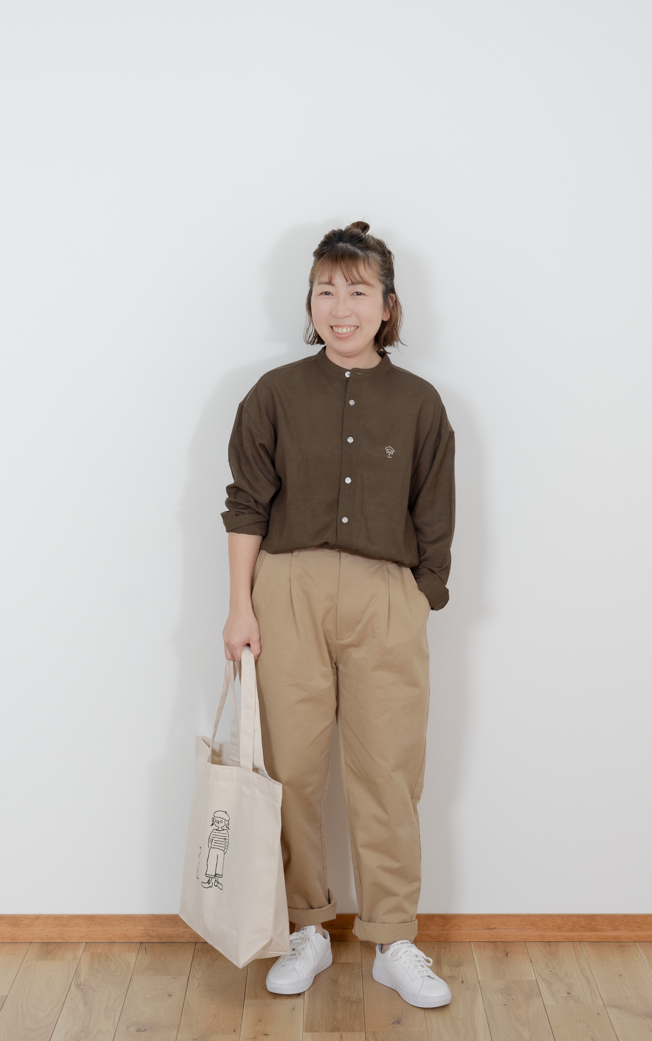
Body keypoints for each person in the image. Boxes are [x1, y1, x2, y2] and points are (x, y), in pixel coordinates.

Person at [221, 221, 455, 1008]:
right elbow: (246, 505)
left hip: (386, 597)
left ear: (388, 306)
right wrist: (239, 607)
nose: (340, 306)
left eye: (358, 291)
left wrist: (418, 596)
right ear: (310, 303)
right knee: (289, 771)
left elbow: (435, 513)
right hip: (285, 592)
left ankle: (393, 940)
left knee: (388, 770)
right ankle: (306, 929)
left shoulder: (419, 403)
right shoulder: (274, 395)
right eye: (325, 290)